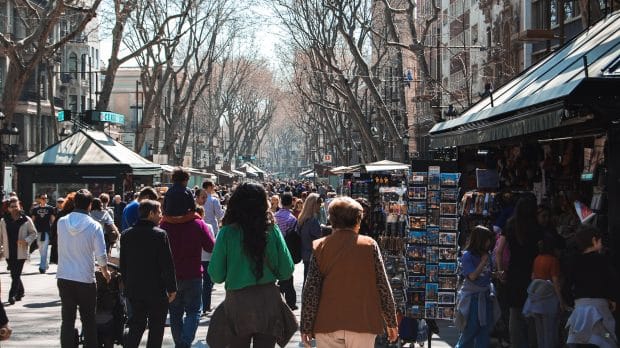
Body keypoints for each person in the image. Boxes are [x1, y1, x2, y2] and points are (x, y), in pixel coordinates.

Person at [207, 183, 297, 347]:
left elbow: (216, 275)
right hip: (268, 302)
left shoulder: (227, 233)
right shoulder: (272, 230)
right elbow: (286, 271)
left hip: (237, 304)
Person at [301, 197, 398, 348]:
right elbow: (382, 286)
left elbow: (311, 290)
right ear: (358, 221)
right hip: (363, 323)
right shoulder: (369, 245)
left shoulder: (320, 246)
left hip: (327, 323)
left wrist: (306, 325)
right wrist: (391, 321)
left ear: (331, 220)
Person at [56, 189, 110, 348]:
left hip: (64, 275)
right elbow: (101, 254)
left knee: (67, 319)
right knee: (88, 319)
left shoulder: (62, 222)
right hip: (85, 278)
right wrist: (106, 272)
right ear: (90, 206)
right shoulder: (94, 226)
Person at [120, 200, 177, 348]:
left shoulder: (126, 235)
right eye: (159, 212)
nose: (161, 216)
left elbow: (123, 265)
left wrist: (126, 286)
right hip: (156, 289)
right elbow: (167, 264)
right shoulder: (160, 235)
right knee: (156, 328)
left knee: (136, 325)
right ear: (151, 213)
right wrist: (172, 288)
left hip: (134, 289)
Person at [161, 202, 215, 348]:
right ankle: (184, 343)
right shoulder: (197, 224)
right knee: (193, 310)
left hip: (171, 277)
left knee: (175, 313)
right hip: (193, 274)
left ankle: (180, 343)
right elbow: (211, 246)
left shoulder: (164, 225)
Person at [495, 193, 542, 348]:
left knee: (515, 313)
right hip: (534, 272)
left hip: (514, 272)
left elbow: (499, 250)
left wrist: (501, 270)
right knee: (533, 314)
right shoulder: (537, 227)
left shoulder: (510, 225)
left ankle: (516, 344)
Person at [565, 224, 618, 347]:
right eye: (600, 241)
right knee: (606, 336)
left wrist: (572, 302)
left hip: (579, 311)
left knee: (579, 338)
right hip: (599, 310)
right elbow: (611, 282)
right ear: (594, 240)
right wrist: (613, 299)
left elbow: (566, 286)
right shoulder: (603, 260)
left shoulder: (574, 261)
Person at [455, 225, 500, 348]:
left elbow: (487, 274)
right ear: (480, 240)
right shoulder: (467, 256)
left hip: (486, 297)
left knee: (484, 333)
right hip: (473, 299)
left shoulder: (486, 255)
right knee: (469, 332)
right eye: (487, 240)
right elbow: (472, 276)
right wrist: (482, 262)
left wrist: (496, 275)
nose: (489, 243)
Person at [522, 235, 566, 348]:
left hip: (536, 299)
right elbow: (555, 282)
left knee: (539, 331)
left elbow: (533, 276)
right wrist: (561, 301)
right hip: (548, 300)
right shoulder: (553, 261)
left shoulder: (537, 259)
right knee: (550, 332)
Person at [0, 197, 37, 304]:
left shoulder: (26, 219)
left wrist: (26, 240)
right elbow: (1, 237)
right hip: (8, 251)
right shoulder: (3, 220)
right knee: (14, 274)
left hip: (21, 252)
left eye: (16, 206)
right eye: (12, 207)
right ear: (8, 209)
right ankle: (20, 291)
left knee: (16, 274)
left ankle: (12, 295)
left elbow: (33, 233)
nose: (15, 208)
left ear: (19, 206)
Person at [274, 192, 298, 310]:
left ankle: (281, 296)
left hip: (276, 248)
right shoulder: (292, 219)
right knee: (288, 275)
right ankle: (289, 301)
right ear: (291, 203)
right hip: (288, 249)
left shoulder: (275, 216)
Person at [297, 193, 322, 283]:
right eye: (319, 203)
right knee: (311, 283)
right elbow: (320, 236)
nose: (320, 205)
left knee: (306, 280)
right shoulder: (313, 221)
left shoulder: (302, 219)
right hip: (312, 255)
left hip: (305, 254)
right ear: (314, 204)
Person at [30, 193, 55, 273]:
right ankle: (45, 264)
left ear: (47, 199)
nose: (44, 199)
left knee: (44, 249)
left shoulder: (51, 208)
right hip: (37, 231)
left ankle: (42, 267)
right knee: (41, 249)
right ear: (39, 199)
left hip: (46, 231)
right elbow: (32, 221)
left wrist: (54, 230)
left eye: (45, 198)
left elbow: (52, 220)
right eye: (42, 198)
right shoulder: (35, 209)